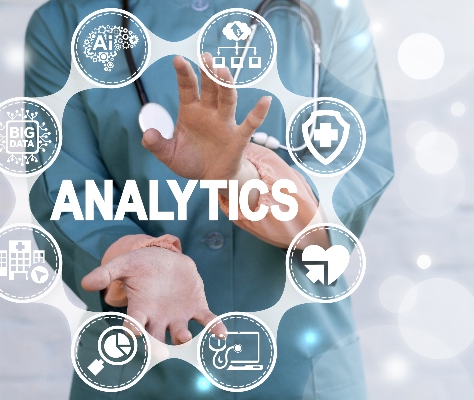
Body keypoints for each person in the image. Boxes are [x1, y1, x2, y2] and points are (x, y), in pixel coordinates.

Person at [25, 0, 394, 398]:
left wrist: (245, 182)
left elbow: (356, 166)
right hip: (141, 367)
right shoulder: (66, 21)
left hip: (298, 369)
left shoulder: (331, 10)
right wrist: (137, 255)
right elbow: (65, 190)